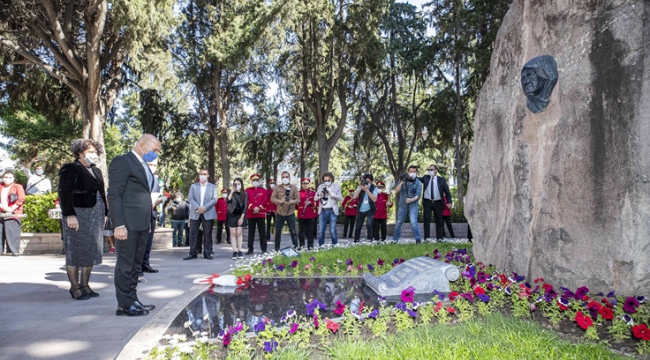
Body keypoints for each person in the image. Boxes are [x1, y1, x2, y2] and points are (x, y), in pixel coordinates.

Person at [108, 134, 161, 316]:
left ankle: (132, 299)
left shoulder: (143, 164)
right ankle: (123, 304)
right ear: (141, 145)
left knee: (136, 265)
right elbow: (114, 194)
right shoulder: (122, 162)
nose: (155, 154)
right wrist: (119, 224)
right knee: (125, 264)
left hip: (141, 224)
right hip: (127, 224)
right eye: (154, 150)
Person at [59, 139, 107, 300]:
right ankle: (75, 287)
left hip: (96, 214)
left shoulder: (97, 171)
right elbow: (64, 192)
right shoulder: (70, 168)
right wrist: (69, 214)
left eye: (95, 152)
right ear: (80, 152)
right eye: (90, 151)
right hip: (78, 214)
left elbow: (101, 193)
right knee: (75, 251)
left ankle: (85, 284)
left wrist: (105, 213)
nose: (94, 155)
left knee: (90, 250)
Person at [184, 169, 218, 260]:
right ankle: (192, 253)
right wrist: (198, 207)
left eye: (204, 174)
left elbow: (214, 199)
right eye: (201, 174)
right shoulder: (193, 186)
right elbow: (190, 198)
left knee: (207, 233)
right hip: (196, 213)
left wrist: (204, 208)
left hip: (208, 212)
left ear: (208, 176)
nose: (202, 175)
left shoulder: (212, 187)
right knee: (193, 233)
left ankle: (207, 253)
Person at [419, 164, 452, 242]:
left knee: (439, 220)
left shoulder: (442, 180)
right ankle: (427, 238)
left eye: (431, 170)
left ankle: (439, 238)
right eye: (429, 170)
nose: (430, 171)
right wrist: (410, 177)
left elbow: (447, 192)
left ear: (436, 171)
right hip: (427, 202)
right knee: (426, 220)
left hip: (438, 202)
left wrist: (449, 202)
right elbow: (417, 179)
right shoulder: (425, 178)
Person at [392, 165, 423, 243]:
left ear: (416, 172)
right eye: (411, 171)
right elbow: (396, 191)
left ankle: (418, 239)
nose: (412, 173)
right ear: (408, 172)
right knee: (399, 222)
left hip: (413, 205)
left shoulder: (418, 182)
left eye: (414, 171)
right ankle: (395, 240)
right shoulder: (403, 180)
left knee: (413, 222)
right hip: (403, 205)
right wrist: (402, 182)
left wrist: (411, 200)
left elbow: (418, 195)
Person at [142, 160, 163, 272]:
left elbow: (158, 196)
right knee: (140, 241)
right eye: (150, 164)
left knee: (148, 241)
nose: (152, 167)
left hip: (152, 213)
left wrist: (157, 201)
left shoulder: (155, 179)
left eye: (154, 165)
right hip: (140, 214)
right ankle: (137, 267)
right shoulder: (139, 178)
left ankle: (145, 263)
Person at [270, 171, 300, 251]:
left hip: (290, 213)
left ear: (289, 178)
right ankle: (276, 250)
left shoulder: (294, 187)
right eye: (284, 177)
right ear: (281, 178)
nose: (285, 178)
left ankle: (296, 248)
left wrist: (292, 201)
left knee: (293, 232)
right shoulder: (277, 188)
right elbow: (272, 198)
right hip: (280, 213)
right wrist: (280, 201)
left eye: (287, 177)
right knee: (278, 233)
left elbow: (298, 199)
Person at [313, 172, 343, 246]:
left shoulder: (336, 186)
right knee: (321, 231)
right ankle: (321, 246)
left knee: (333, 230)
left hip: (332, 211)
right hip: (322, 211)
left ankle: (335, 246)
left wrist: (331, 194)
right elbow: (315, 198)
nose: (327, 182)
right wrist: (320, 194)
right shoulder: (321, 186)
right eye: (325, 180)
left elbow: (340, 198)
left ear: (331, 179)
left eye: (328, 180)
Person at [1, 170, 25, 256]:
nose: (7, 179)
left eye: (10, 177)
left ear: (13, 179)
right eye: (6, 177)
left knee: (12, 232)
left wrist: (10, 209)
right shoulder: (0, 186)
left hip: (14, 212)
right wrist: (3, 208)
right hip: (2, 210)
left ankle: (13, 251)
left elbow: (21, 198)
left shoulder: (17, 186)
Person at [351, 174, 378, 243]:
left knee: (369, 224)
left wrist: (367, 190)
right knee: (358, 226)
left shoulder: (374, 188)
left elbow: (374, 199)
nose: (367, 183)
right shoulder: (361, 187)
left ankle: (369, 241)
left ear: (372, 181)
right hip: (361, 209)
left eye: (368, 182)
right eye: (365, 181)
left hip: (370, 209)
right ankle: (356, 242)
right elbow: (354, 197)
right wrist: (360, 187)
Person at [245, 174, 268, 255]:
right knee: (251, 232)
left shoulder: (263, 190)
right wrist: (253, 207)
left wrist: (259, 208)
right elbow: (246, 200)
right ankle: (250, 249)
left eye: (257, 180)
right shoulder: (247, 190)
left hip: (260, 214)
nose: (255, 182)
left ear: (259, 181)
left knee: (262, 233)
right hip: (251, 214)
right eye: (254, 180)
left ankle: (264, 249)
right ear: (251, 181)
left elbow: (265, 201)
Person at [227, 178, 247, 259]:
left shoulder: (244, 193)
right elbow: (227, 201)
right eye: (235, 184)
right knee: (233, 233)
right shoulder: (230, 192)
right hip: (232, 214)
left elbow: (245, 206)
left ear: (241, 185)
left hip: (240, 214)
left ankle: (240, 250)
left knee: (239, 233)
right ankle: (234, 251)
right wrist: (231, 192)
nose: (237, 185)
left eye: (239, 184)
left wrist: (242, 217)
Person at [296, 178, 317, 250]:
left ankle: (310, 246)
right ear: (302, 185)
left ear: (309, 184)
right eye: (304, 184)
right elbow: (296, 205)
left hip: (310, 215)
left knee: (310, 231)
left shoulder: (313, 193)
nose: (306, 185)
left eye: (307, 184)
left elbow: (317, 203)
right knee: (301, 231)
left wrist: (310, 203)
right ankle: (301, 245)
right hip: (301, 214)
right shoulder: (298, 193)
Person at [264, 179, 276, 244]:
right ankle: (267, 236)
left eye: (273, 183)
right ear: (269, 184)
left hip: (275, 210)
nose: (272, 184)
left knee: (276, 224)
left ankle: (275, 236)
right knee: (268, 224)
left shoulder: (277, 191)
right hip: (268, 210)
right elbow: (265, 200)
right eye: (271, 183)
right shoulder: (267, 191)